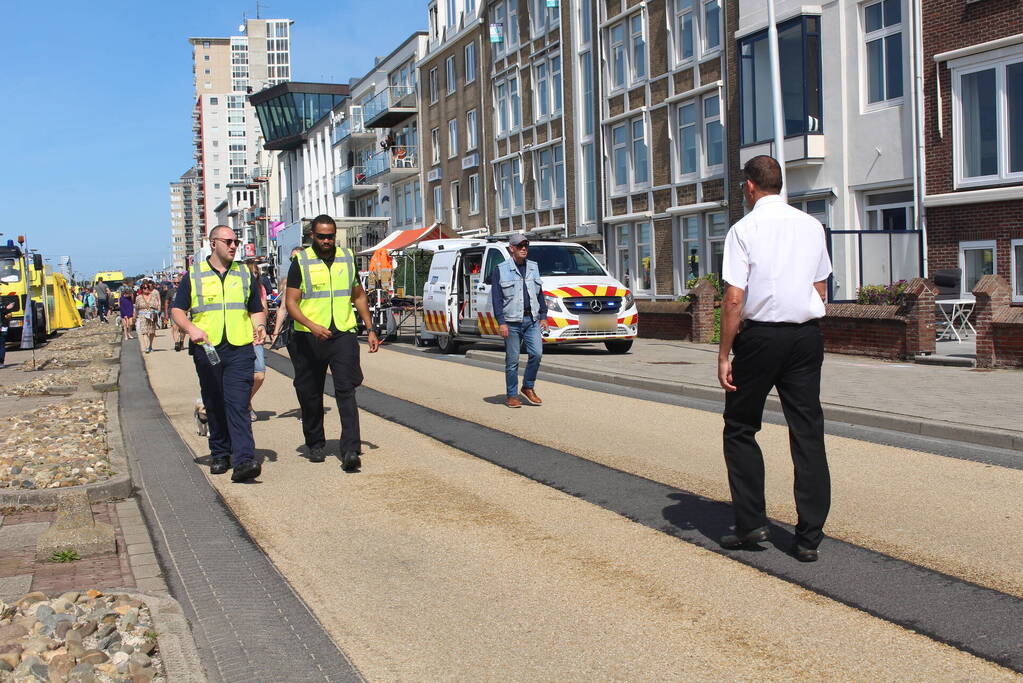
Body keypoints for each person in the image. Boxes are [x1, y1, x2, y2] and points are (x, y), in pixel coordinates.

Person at [717, 155, 833, 563]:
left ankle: (751, 524)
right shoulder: (812, 226)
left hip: (760, 338)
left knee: (740, 427)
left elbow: (734, 298)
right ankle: (808, 538)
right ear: (778, 184)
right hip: (805, 337)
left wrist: (724, 354)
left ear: (750, 186)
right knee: (807, 431)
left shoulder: (743, 229)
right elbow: (820, 286)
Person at [171, 225, 266, 482]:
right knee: (214, 401)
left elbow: (256, 308)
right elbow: (177, 310)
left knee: (237, 402)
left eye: (236, 241)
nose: (234, 245)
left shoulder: (245, 274)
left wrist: (259, 325)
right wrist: (191, 329)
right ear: (213, 243)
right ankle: (220, 453)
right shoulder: (195, 275)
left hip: (240, 348)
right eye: (228, 241)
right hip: (208, 348)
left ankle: (244, 459)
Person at [285, 215, 379, 470]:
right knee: (310, 392)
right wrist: (311, 326)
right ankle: (315, 443)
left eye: (330, 236)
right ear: (312, 236)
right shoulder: (301, 261)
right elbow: (291, 302)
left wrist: (369, 328)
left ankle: (350, 449)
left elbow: (358, 295)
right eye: (321, 236)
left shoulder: (347, 257)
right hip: (308, 335)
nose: (327, 241)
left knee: (346, 389)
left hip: (342, 332)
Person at [491, 233, 549, 408]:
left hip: (531, 320)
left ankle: (528, 387)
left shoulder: (533, 267)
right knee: (513, 360)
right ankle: (512, 395)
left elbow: (539, 293)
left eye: (526, 246)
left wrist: (544, 316)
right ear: (512, 249)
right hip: (511, 321)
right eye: (520, 246)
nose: (524, 249)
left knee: (537, 354)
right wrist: (501, 322)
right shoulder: (500, 269)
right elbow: (496, 299)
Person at [246, 259, 268, 422]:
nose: (254, 275)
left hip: (257, 335)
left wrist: (262, 326)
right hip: (241, 335)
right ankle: (243, 405)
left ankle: (245, 401)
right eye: (251, 272)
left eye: (256, 272)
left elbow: (264, 310)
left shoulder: (260, 289)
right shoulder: (239, 288)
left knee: (259, 374)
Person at [270, 247, 303, 344]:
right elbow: (283, 307)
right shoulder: (290, 281)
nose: (294, 261)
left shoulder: (315, 277)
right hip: (295, 328)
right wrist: (276, 331)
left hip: (314, 327)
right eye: (292, 259)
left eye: (297, 258)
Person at [135, 281, 161, 353]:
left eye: (147, 288)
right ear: (142, 289)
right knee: (144, 331)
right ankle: (146, 347)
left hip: (152, 314)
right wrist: (135, 316)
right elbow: (137, 307)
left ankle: (150, 346)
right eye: (144, 288)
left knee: (152, 331)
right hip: (142, 315)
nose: (146, 289)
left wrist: (157, 311)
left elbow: (157, 304)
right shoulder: (138, 297)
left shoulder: (153, 296)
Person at [0, 300, 15, 368]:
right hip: (3, 328)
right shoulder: (4, 306)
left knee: (1, 345)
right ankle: (1, 363)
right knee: (2, 345)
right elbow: (9, 316)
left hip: (2, 328)